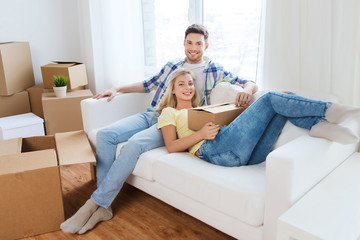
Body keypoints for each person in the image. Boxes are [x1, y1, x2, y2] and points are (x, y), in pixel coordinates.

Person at [60, 24, 258, 234]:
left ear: (205, 46)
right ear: (184, 44)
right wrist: (116, 88)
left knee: (134, 144)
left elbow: (249, 82)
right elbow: (147, 84)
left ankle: (94, 204)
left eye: (198, 43)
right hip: (152, 113)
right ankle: (104, 205)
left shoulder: (215, 70)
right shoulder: (172, 65)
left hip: (173, 122)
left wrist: (246, 90)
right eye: (189, 42)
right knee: (105, 135)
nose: (193, 47)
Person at [157, 69, 360, 167]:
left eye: (190, 83)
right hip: (212, 150)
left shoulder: (205, 108)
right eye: (182, 84)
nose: (188, 87)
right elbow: (171, 146)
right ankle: (330, 111)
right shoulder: (170, 112)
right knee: (272, 97)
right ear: (173, 90)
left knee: (283, 101)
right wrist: (201, 133)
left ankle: (318, 127)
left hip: (248, 155)